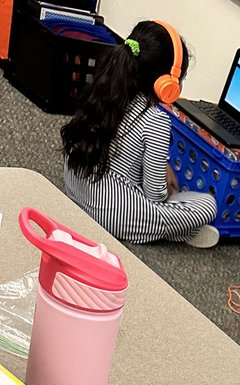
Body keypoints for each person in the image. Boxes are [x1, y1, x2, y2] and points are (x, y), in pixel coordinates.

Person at [61, 20, 219, 247]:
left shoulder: (106, 86)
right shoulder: (156, 120)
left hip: (75, 188)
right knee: (206, 205)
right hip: (109, 213)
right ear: (166, 84)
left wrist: (161, 168)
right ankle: (181, 232)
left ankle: (172, 229)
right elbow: (155, 195)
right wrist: (167, 190)